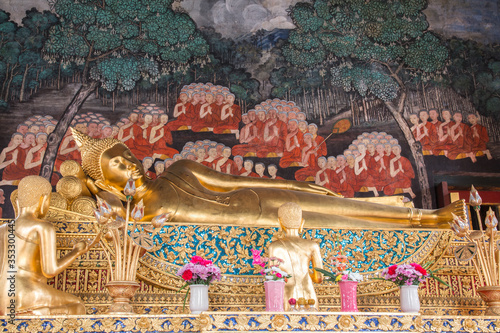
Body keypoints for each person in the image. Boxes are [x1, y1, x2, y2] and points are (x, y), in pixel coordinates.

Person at [71, 129, 468, 229]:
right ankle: (428, 220)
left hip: (256, 196)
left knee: (336, 204)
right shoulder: (135, 219)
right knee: (342, 222)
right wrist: (89, 190)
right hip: (262, 224)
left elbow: (225, 183)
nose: (130, 165)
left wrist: (296, 185)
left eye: (127, 156)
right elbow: (89, 211)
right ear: (106, 181)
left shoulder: (178, 169)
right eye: (119, 167)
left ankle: (426, 217)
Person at [0, 176, 91, 315]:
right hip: (27, 291)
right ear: (43, 199)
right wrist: (76, 252)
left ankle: (31, 314)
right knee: (78, 306)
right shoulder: (42, 226)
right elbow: (50, 271)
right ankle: (38, 313)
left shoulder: (2, 229)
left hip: (3, 296)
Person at [268, 202, 323, 311]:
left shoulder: (274, 247)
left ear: (279, 222)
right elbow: (319, 278)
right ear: (302, 222)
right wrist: (305, 274)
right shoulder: (313, 246)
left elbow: (273, 278)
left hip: (287, 298)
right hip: (309, 297)